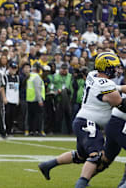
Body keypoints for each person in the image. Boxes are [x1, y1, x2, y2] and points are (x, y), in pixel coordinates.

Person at [38, 53, 125, 188]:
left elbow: (117, 88)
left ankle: (48, 165)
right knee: (95, 156)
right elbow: (119, 102)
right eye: (115, 67)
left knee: (80, 156)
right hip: (88, 123)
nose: (118, 70)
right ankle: (81, 184)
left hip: (82, 120)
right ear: (107, 68)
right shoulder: (105, 84)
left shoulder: (93, 75)